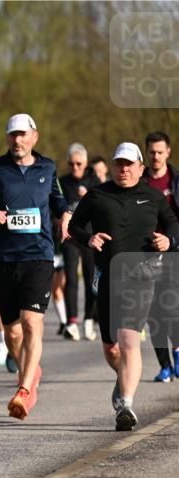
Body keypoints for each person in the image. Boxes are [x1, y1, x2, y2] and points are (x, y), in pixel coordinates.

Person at [0, 113, 71, 420]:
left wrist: (65, 215)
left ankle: (24, 389)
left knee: (31, 323)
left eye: (23, 134)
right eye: (13, 135)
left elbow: (57, 200)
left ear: (34, 137)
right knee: (12, 334)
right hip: (3, 259)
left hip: (38, 255)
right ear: (7, 138)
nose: (18, 140)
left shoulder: (47, 167)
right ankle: (30, 372)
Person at [68, 142, 178, 430]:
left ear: (141, 168)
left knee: (129, 340)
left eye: (130, 164)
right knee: (111, 347)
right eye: (119, 163)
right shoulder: (98, 195)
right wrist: (88, 239)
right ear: (113, 167)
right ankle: (123, 379)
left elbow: (173, 224)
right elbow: (75, 227)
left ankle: (125, 405)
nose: (124, 168)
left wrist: (169, 241)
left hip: (142, 275)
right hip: (107, 277)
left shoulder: (153, 197)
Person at [142, 131, 179, 382]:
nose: (155, 156)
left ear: (168, 153)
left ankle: (177, 353)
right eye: (151, 152)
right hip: (145, 255)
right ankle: (164, 366)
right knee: (153, 312)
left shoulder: (176, 182)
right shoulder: (139, 182)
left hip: (174, 252)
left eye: (160, 152)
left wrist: (172, 241)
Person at [58, 143, 100, 341]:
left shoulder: (94, 181)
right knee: (71, 279)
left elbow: (104, 207)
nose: (75, 167)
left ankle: (89, 320)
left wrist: (89, 198)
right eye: (71, 164)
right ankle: (71, 321)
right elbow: (55, 209)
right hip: (70, 236)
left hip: (90, 236)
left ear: (85, 163)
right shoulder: (62, 182)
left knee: (91, 277)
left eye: (78, 164)